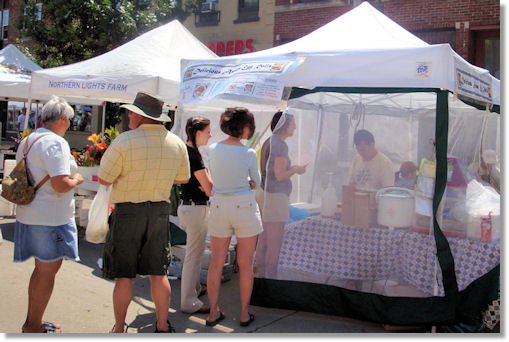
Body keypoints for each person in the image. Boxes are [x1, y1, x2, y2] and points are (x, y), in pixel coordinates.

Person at [98, 92, 190, 333]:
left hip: (127, 212)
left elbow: (105, 177)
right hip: (158, 211)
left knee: (124, 275)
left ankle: (119, 328)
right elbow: (183, 178)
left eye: (131, 112)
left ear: (140, 116)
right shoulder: (176, 142)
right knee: (158, 273)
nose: (129, 115)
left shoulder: (124, 141)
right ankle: (161, 327)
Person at [14, 96, 84, 333]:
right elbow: (60, 184)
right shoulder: (56, 143)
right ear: (63, 119)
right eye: (70, 121)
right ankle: (33, 325)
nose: (70, 125)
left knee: (40, 271)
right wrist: (77, 179)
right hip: (51, 218)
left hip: (30, 213)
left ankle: (32, 321)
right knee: (47, 273)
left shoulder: (29, 140)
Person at [205, 107, 262, 327]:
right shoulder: (247, 153)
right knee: (245, 264)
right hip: (243, 206)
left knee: (216, 264)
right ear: (245, 127)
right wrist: (247, 181)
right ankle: (245, 314)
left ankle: (212, 312)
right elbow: (257, 182)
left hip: (219, 205)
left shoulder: (213, 149)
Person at [254, 110, 306, 279]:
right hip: (275, 197)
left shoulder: (270, 141)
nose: (295, 127)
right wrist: (296, 170)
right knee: (274, 242)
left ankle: (260, 276)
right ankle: (271, 278)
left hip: (265, 193)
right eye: (292, 123)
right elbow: (280, 175)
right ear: (284, 125)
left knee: (263, 239)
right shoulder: (280, 145)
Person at [178, 116, 213, 314]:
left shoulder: (187, 151)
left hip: (189, 207)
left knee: (193, 254)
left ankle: (193, 291)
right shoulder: (193, 155)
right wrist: (209, 185)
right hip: (196, 208)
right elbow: (209, 188)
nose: (210, 135)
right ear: (198, 133)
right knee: (193, 256)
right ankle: (189, 301)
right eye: (208, 131)